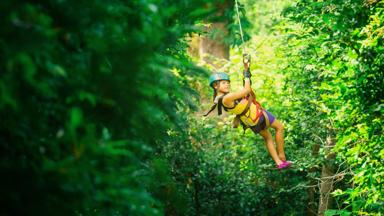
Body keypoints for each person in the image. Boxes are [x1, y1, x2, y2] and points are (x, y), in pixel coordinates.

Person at [205, 61, 292, 169]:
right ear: (215, 86)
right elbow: (247, 90)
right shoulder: (226, 98)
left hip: (250, 121)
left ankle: (279, 163)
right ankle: (282, 156)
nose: (227, 84)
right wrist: (246, 75)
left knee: (268, 137)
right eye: (223, 83)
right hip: (257, 115)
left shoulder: (220, 99)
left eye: (227, 82)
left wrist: (246, 69)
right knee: (279, 127)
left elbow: (244, 93)